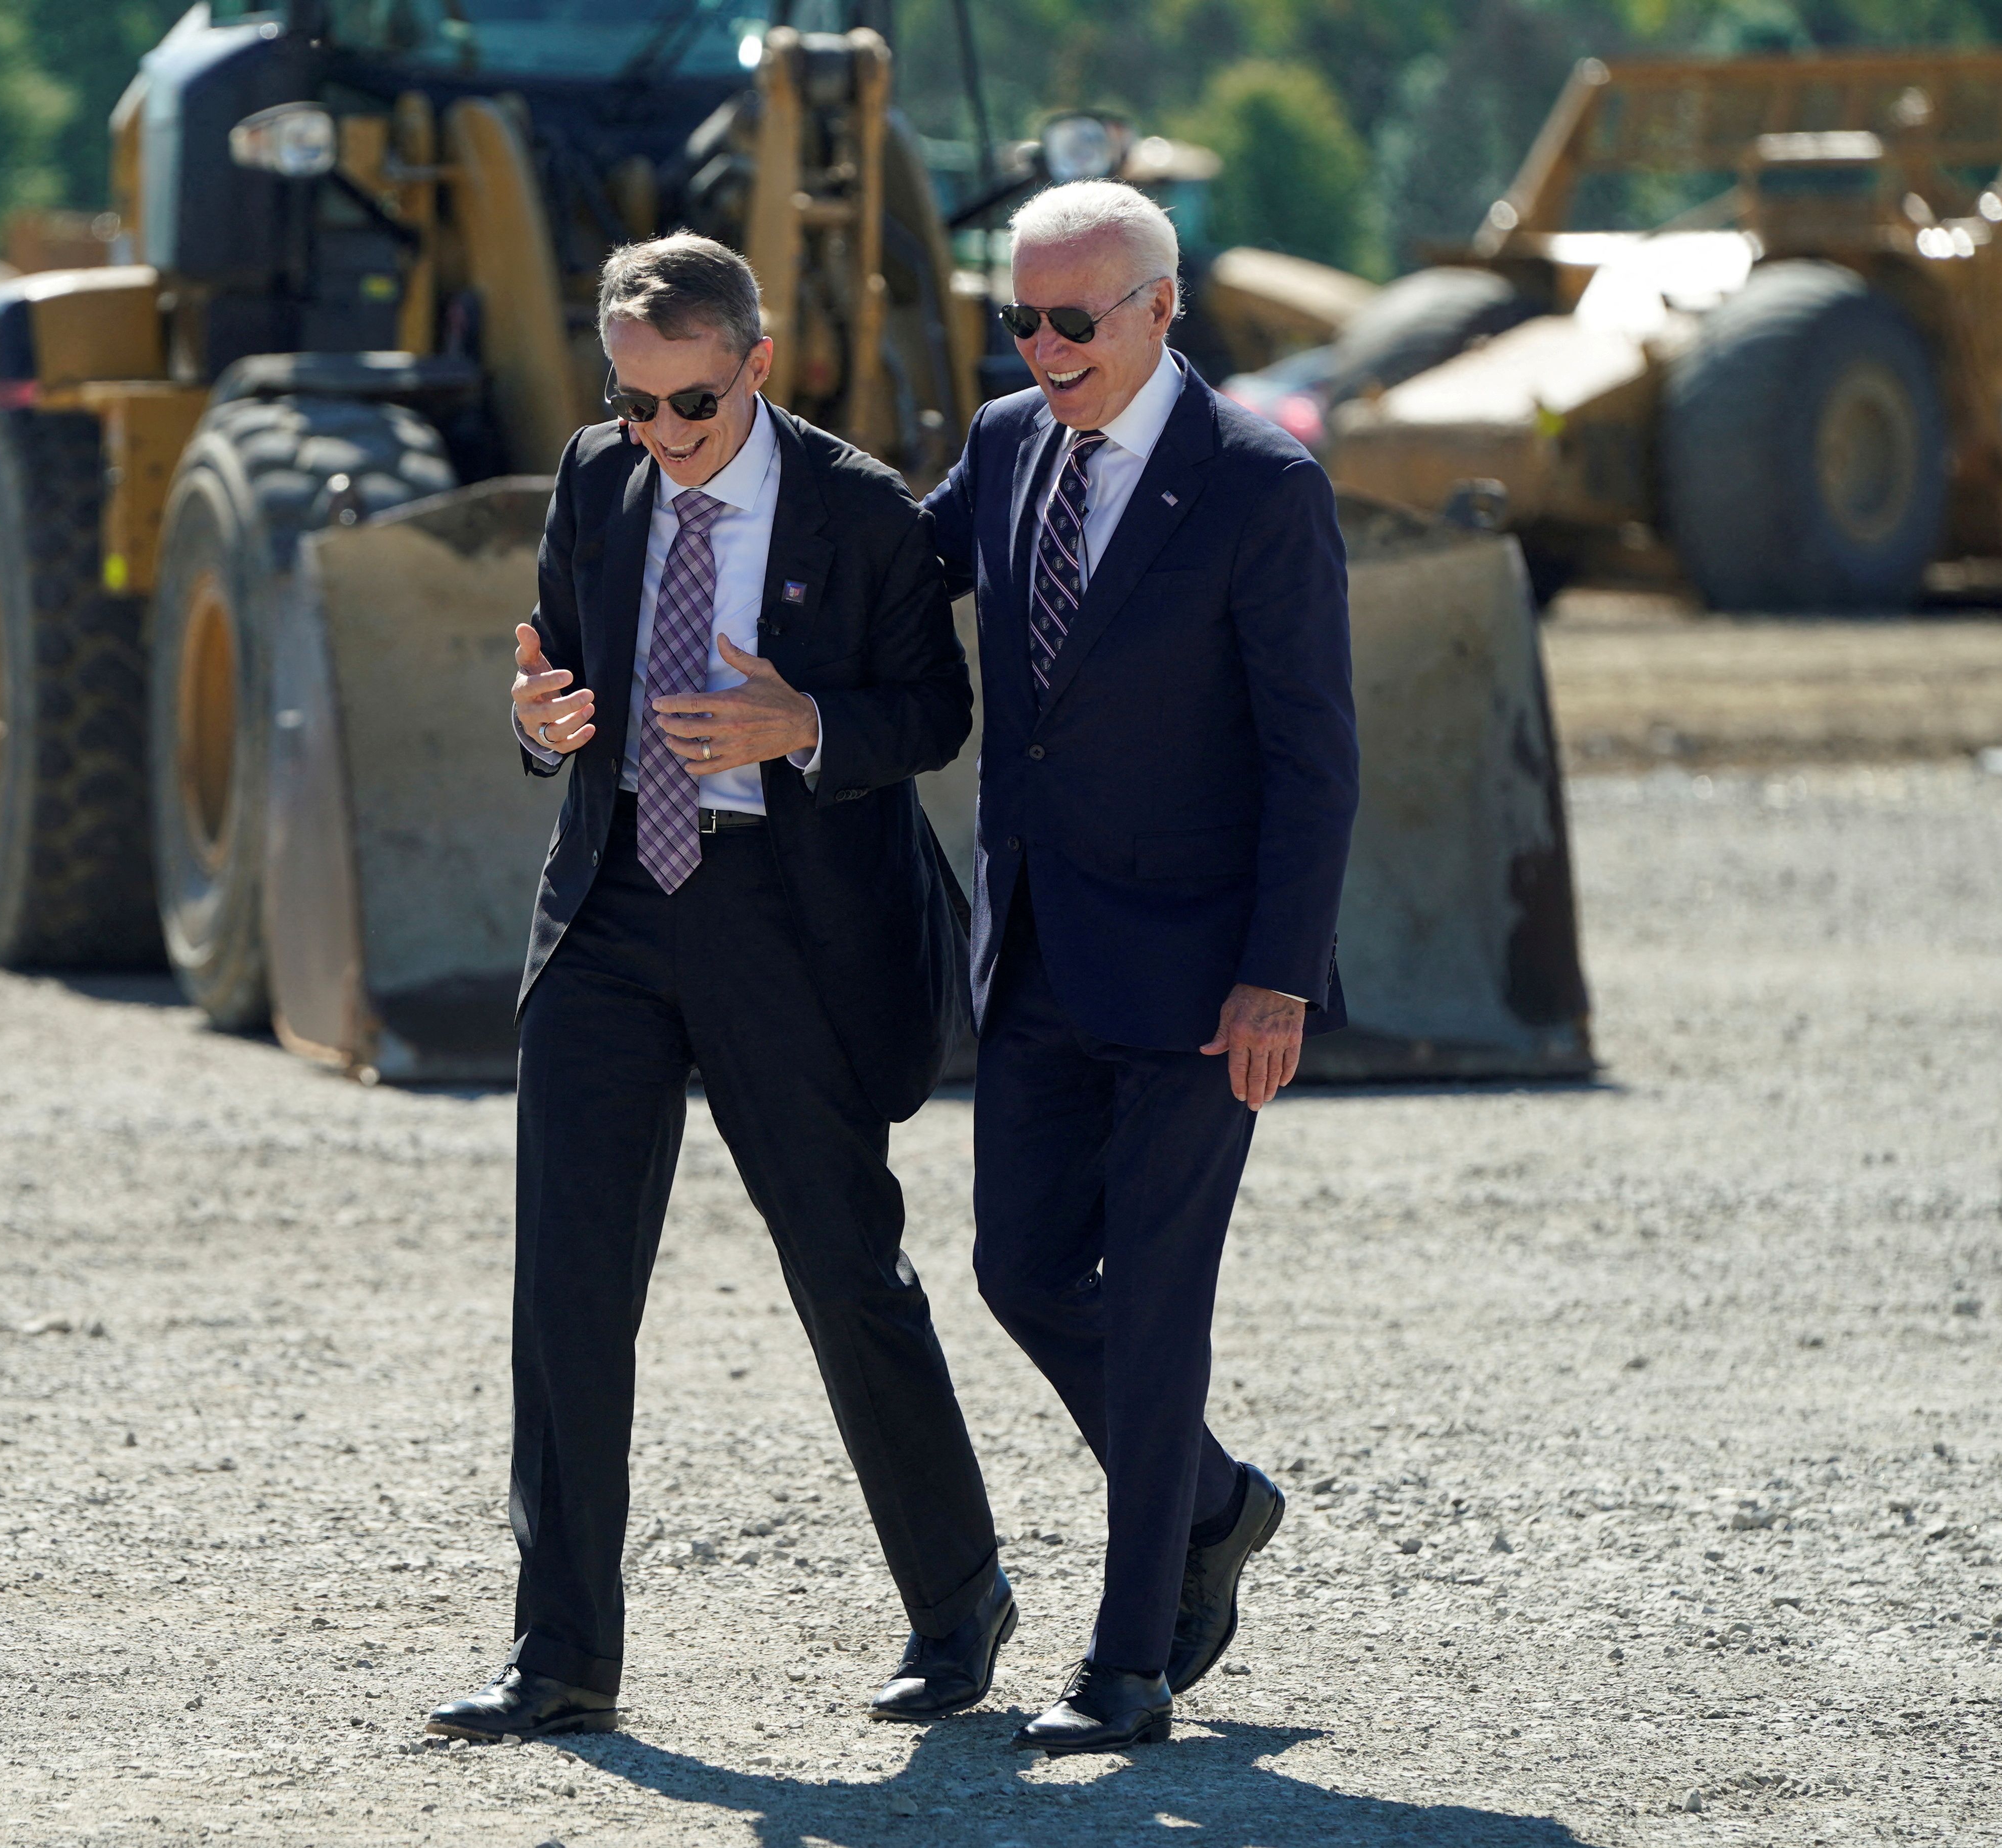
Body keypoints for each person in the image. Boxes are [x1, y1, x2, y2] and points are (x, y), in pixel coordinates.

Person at [426, 233, 1012, 1742]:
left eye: (689, 404)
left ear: (757, 364)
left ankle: (958, 1603)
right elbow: (555, 672)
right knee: (565, 1282)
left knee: (841, 1265)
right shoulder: (593, 476)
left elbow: (935, 715)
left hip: (786, 920)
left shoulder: (863, 511)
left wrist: (800, 720)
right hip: (613, 905)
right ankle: (560, 1650)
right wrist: (541, 721)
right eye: (634, 404)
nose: (660, 437)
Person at [923, 180, 1358, 1755]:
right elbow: (895, 583)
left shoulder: (1259, 487)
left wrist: (1278, 973)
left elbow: (1313, 760)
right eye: (1017, 318)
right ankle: (1219, 1501)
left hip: (1198, 977)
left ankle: (1127, 1665)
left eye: (1071, 320)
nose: (1041, 348)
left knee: (1159, 1303)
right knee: (1020, 1271)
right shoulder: (999, 445)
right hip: (1033, 944)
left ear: (1159, 309)